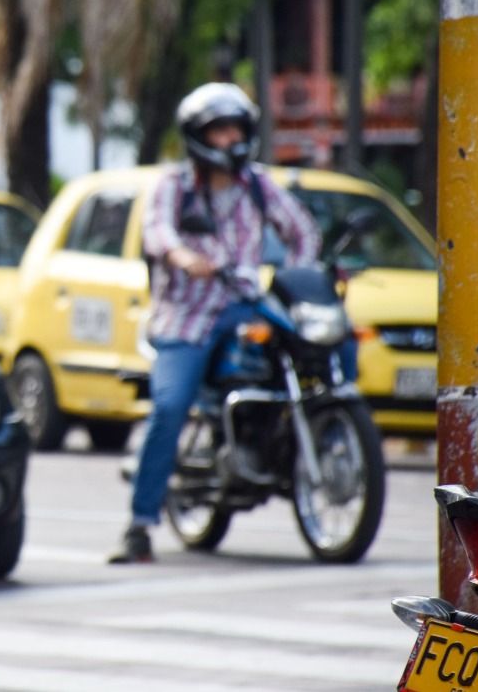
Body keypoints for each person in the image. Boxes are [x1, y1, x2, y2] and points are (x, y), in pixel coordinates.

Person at [108, 83, 320, 564]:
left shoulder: (260, 185)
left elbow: (302, 230)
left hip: (247, 304)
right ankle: (139, 526)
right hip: (186, 316)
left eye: (235, 128)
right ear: (199, 137)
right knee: (171, 405)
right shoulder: (174, 186)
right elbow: (158, 231)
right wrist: (183, 255)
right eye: (218, 130)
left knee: (327, 346)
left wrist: (298, 273)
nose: (229, 139)